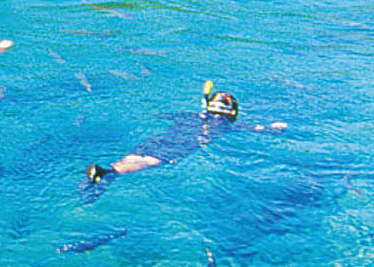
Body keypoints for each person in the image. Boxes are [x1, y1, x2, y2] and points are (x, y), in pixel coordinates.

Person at [84, 80, 285, 190]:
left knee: (135, 157)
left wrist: (200, 112)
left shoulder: (189, 115)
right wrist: (275, 127)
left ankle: (104, 175)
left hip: (159, 138)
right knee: (150, 162)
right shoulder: (226, 124)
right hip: (180, 146)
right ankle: (108, 174)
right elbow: (258, 129)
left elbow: (162, 115)